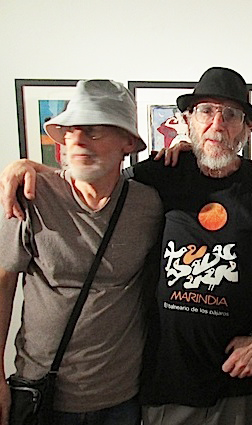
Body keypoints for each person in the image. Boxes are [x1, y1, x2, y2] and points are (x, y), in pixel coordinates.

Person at [0, 67, 252, 425]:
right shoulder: (157, 175)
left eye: (231, 115)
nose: (217, 124)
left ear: (247, 129)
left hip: (235, 376)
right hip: (162, 378)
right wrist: (29, 168)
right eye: (206, 111)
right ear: (187, 121)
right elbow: (94, 177)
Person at [0, 80, 163, 425]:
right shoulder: (30, 195)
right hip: (42, 394)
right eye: (71, 131)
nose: (77, 141)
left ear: (128, 142)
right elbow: (2, 283)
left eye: (93, 131)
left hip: (121, 398)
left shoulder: (148, 204)